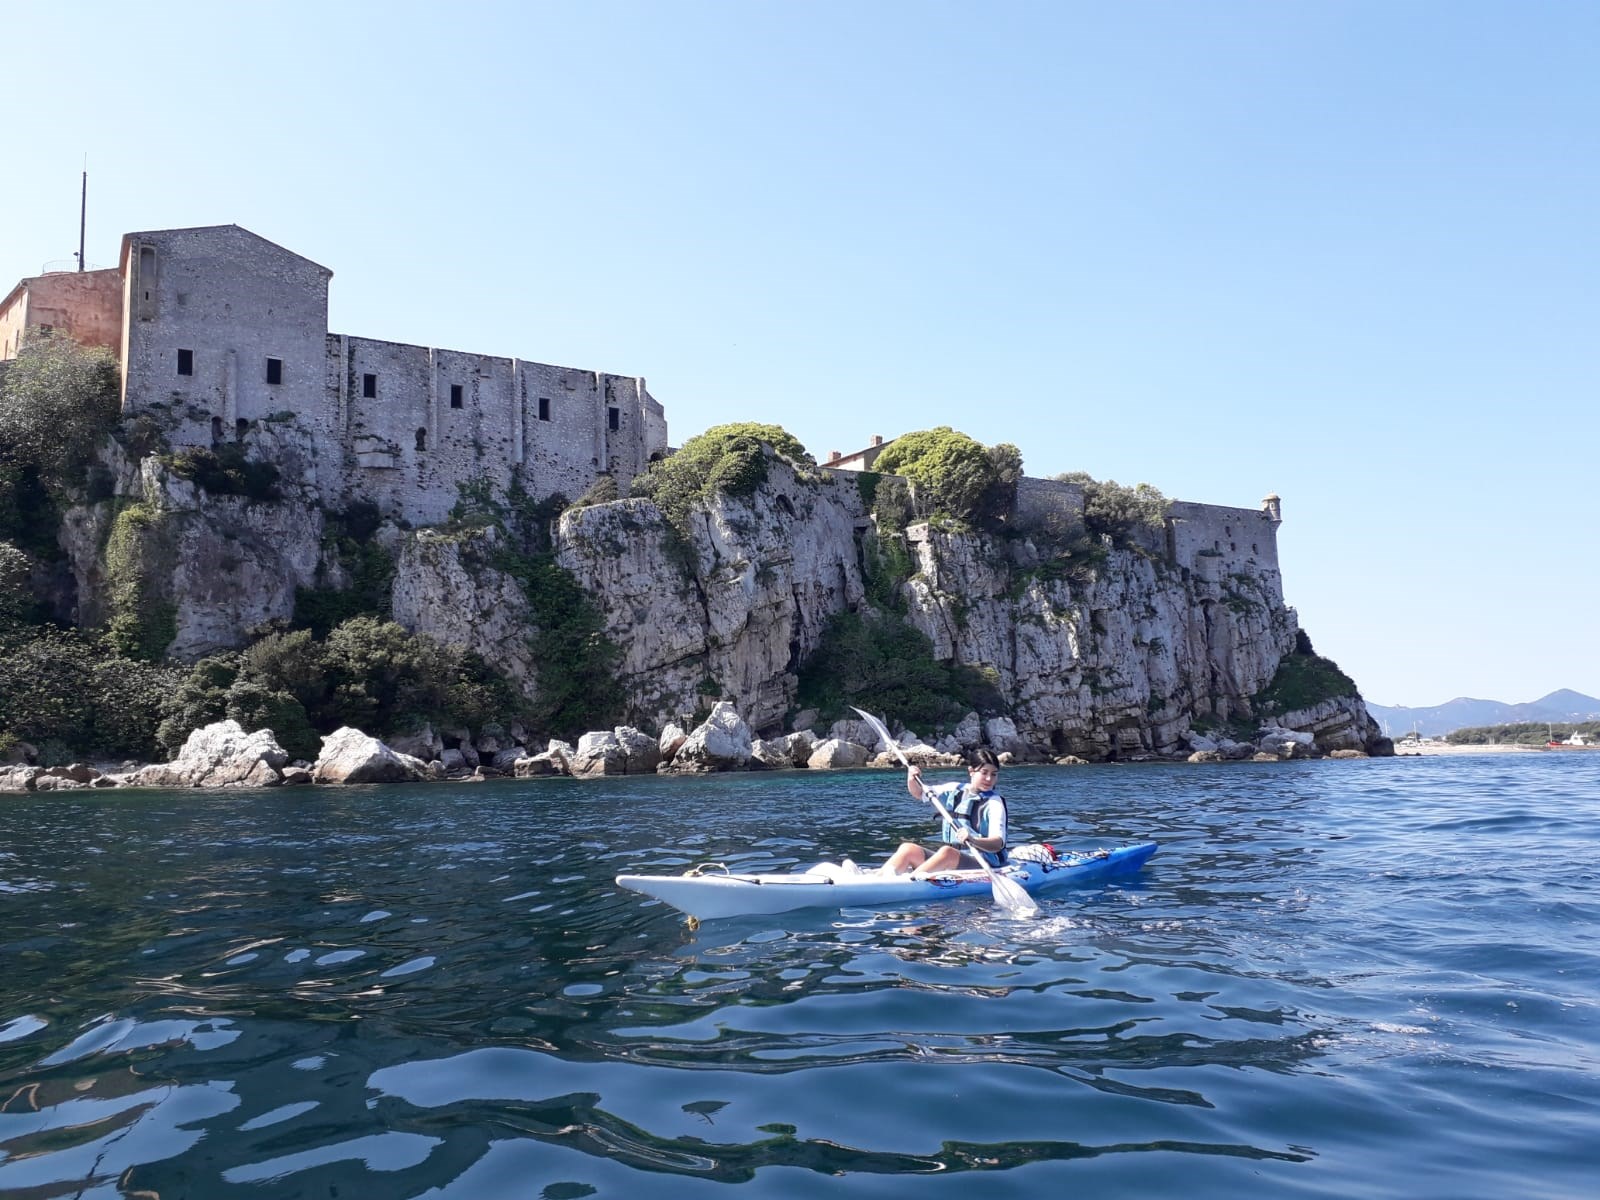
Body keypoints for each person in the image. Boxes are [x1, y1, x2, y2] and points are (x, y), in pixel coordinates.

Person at [882, 748, 1008, 876]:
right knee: (908, 849)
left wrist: (973, 840)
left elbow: (997, 843)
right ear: (971, 771)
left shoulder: (994, 803)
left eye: (994, 774)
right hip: (955, 858)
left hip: (984, 861)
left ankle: (907, 883)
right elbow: (919, 793)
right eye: (984, 772)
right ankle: (880, 879)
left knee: (947, 852)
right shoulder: (953, 789)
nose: (988, 779)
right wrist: (911, 779)